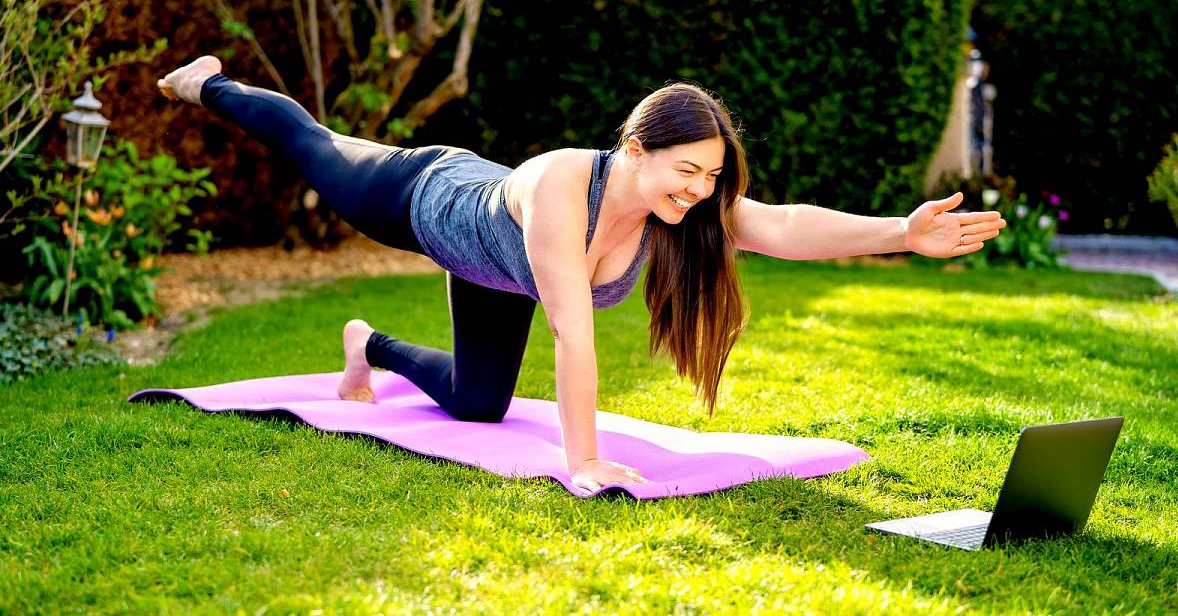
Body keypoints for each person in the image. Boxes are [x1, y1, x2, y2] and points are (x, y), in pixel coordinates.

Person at [157, 56, 1006, 493]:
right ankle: (212, 84)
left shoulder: (682, 208)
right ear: (636, 148)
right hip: (426, 196)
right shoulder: (569, 184)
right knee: (314, 145)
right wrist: (586, 458)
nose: (699, 191)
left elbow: (780, 224)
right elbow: (571, 328)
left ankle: (368, 344)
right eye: (687, 171)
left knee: (480, 403)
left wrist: (901, 229)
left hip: (494, 273)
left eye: (712, 177)